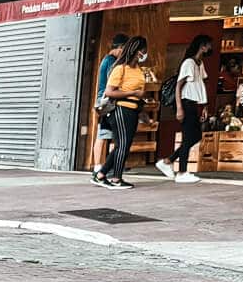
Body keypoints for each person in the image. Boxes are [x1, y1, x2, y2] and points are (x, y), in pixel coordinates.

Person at [98, 36, 153, 189]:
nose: (145, 54)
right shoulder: (120, 68)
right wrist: (133, 93)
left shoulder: (139, 70)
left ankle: (101, 174)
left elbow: (138, 92)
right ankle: (116, 179)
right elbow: (109, 92)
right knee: (122, 145)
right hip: (121, 109)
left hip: (134, 110)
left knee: (123, 145)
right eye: (143, 51)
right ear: (136, 51)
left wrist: (143, 114)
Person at [158, 34, 213, 183]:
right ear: (202, 46)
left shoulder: (199, 63)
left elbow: (201, 86)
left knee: (195, 136)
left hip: (194, 103)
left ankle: (168, 161)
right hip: (186, 103)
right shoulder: (188, 63)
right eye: (208, 45)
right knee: (189, 137)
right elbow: (178, 85)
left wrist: (205, 106)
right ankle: (181, 171)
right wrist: (179, 108)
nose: (210, 48)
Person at [91, 33, 127, 182]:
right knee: (105, 135)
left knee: (109, 135)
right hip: (107, 101)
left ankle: (103, 166)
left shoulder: (107, 60)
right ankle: (99, 166)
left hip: (104, 100)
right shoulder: (111, 61)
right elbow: (111, 84)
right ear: (120, 48)